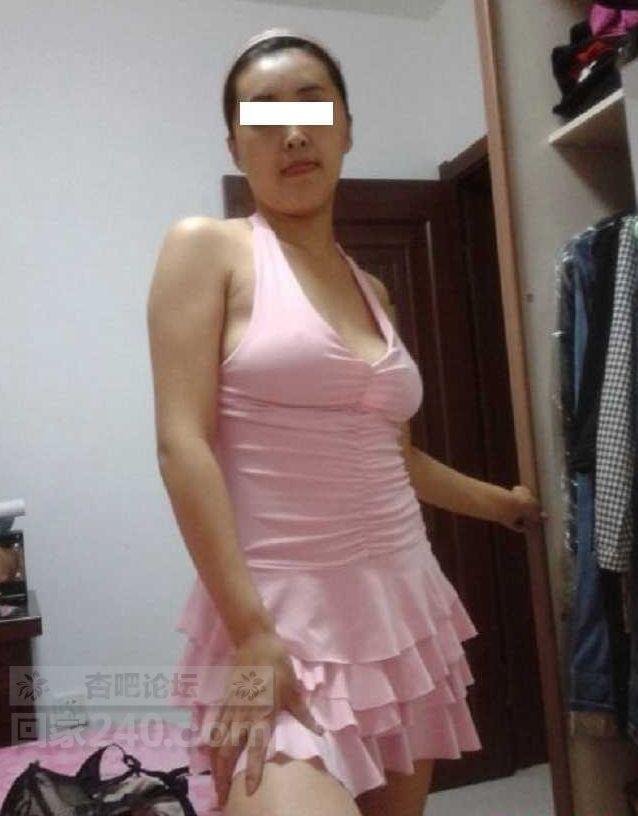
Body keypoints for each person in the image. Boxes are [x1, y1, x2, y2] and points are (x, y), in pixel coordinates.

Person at [147, 28, 547, 816]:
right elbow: (180, 444)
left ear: (347, 129)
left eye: (313, 106)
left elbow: (395, 456)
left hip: (400, 609)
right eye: (264, 116)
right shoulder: (208, 250)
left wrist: (503, 504)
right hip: (274, 619)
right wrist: (251, 633)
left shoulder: (375, 291)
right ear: (235, 146)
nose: (293, 132)